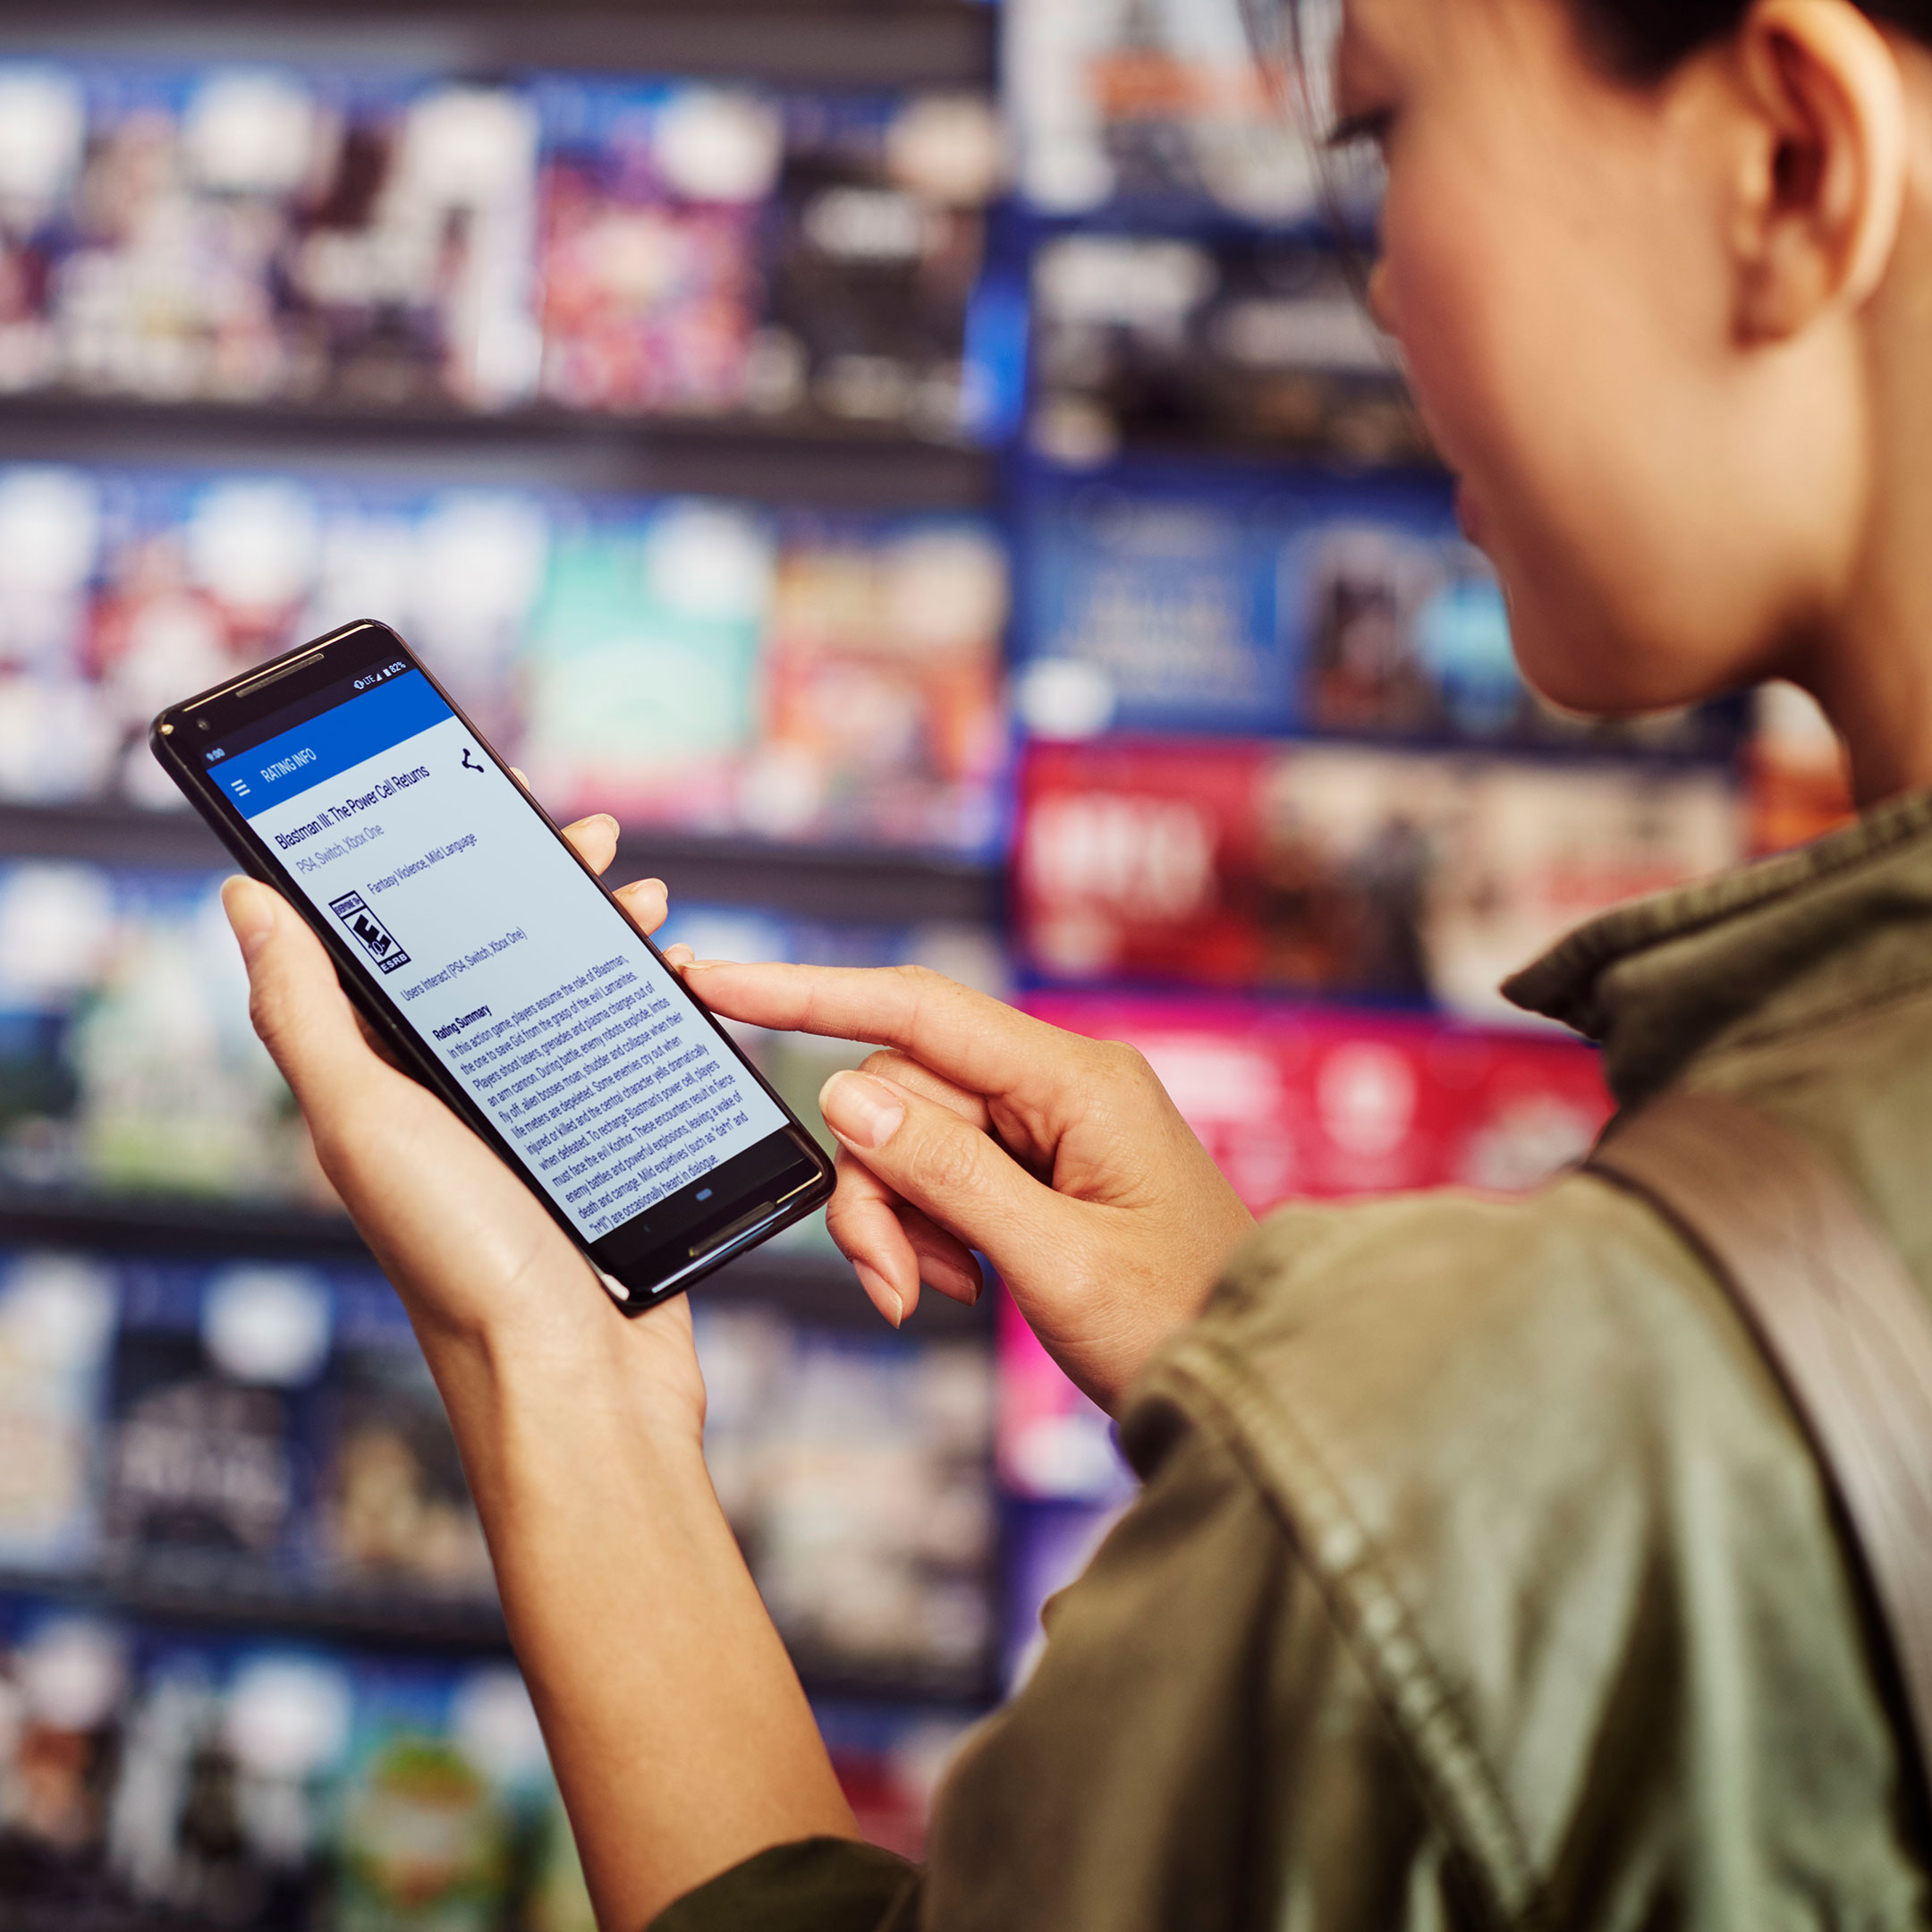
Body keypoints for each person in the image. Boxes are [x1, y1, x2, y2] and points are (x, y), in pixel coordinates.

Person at [222, 0, 1932, 1922]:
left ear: (1793, 161)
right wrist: (1275, 1382)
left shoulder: (1539, 1415)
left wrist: (555, 1364)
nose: (1380, 283)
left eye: (1381, 131)